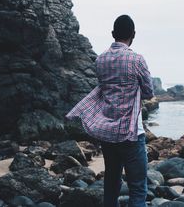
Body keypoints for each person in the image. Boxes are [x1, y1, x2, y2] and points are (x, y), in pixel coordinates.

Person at [65, 14, 154, 207]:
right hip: (131, 133)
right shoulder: (136, 60)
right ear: (134, 34)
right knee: (138, 187)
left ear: (113, 34)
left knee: (111, 184)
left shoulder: (101, 60)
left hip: (107, 132)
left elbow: (104, 90)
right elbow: (148, 92)